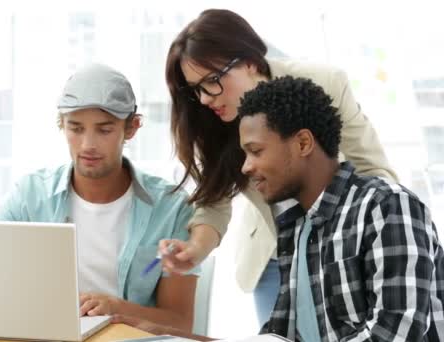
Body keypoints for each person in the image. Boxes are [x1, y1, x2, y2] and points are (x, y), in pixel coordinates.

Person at [115, 76, 444, 341]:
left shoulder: (386, 206)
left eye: (256, 151)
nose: (246, 167)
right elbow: (280, 336)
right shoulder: (295, 228)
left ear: (302, 143)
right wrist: (167, 334)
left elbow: (398, 333)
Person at [159, 8, 398, 325]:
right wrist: (195, 249)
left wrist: (381, 241)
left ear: (250, 62)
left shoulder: (322, 83)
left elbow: (373, 169)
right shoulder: (214, 119)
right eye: (195, 89)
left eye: (212, 81)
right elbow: (214, 198)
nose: (204, 98)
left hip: (342, 251)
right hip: (274, 259)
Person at [0, 64, 198, 331]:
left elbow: (180, 321)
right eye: (76, 129)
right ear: (62, 125)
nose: (88, 144)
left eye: (104, 130)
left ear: (132, 128)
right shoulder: (29, 196)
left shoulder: (172, 207)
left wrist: (115, 308)